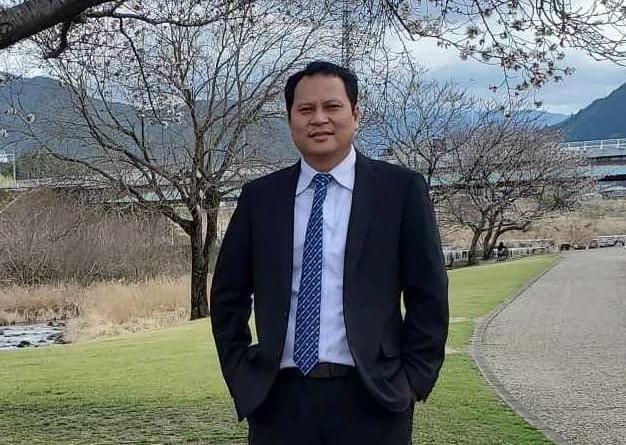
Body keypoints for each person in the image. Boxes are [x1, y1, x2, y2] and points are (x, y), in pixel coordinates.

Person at [210, 61, 449, 445]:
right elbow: (228, 295)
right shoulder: (260, 198)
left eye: (332, 107)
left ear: (356, 114)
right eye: (306, 109)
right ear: (290, 119)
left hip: (374, 397)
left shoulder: (400, 191)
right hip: (278, 402)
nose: (319, 118)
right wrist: (241, 373)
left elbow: (429, 294)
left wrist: (413, 381)